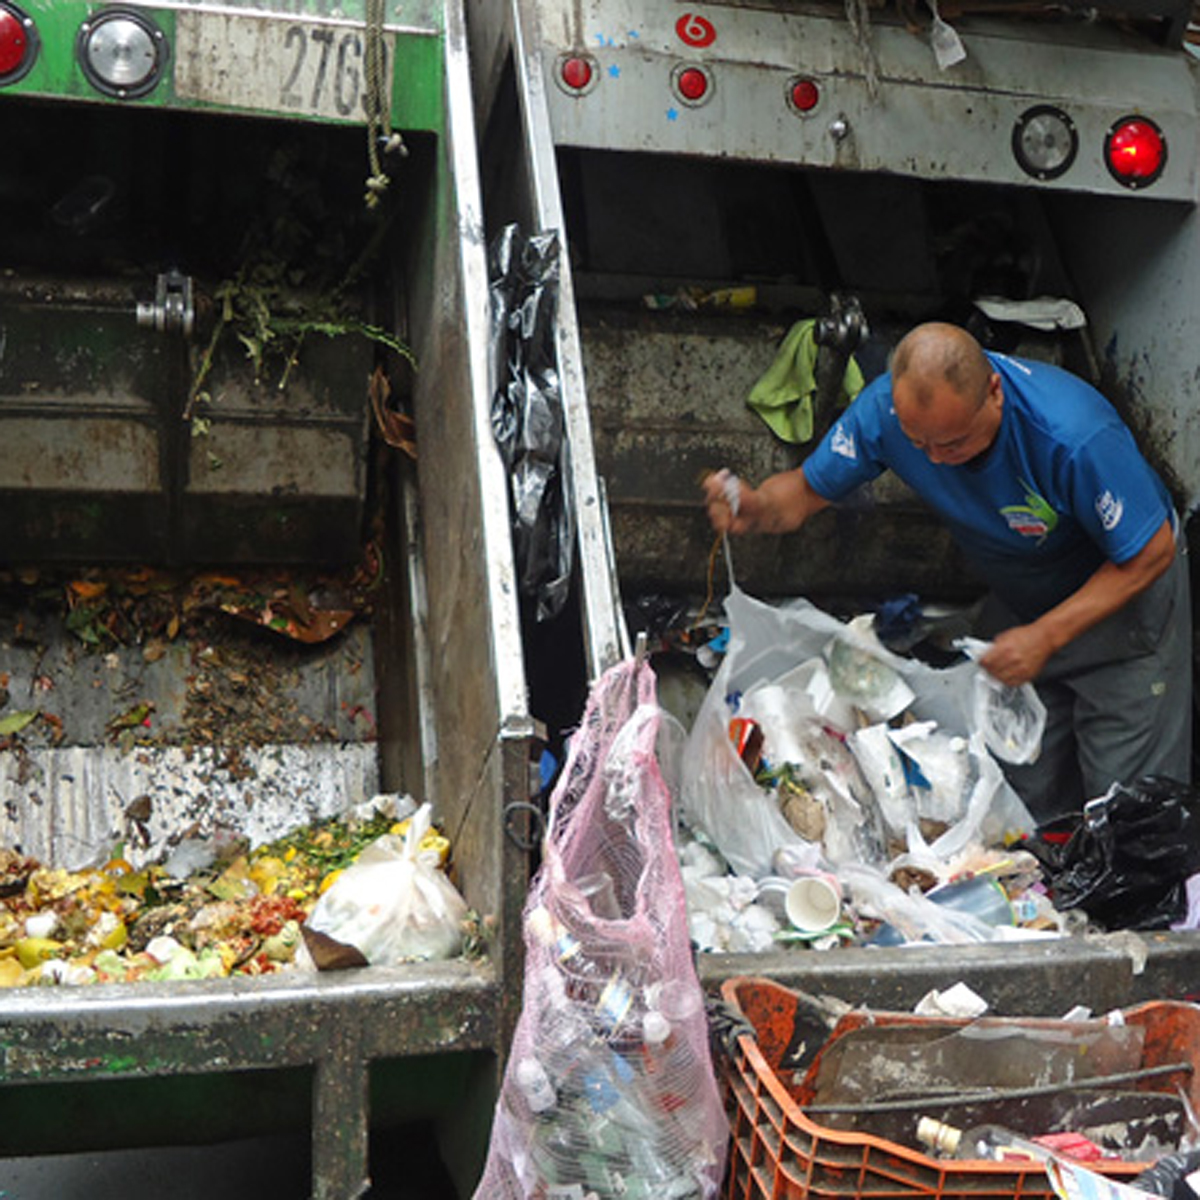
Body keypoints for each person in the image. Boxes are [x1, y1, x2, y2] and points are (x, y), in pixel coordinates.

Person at [703, 321, 1191, 825]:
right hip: (1025, 607)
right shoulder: (886, 412)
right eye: (919, 444)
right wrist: (758, 508)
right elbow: (803, 493)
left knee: (1129, 815)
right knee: (1022, 797)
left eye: (954, 443)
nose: (936, 459)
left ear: (994, 392)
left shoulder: (1073, 435)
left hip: (1122, 616)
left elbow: (1150, 551)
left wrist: (1046, 636)